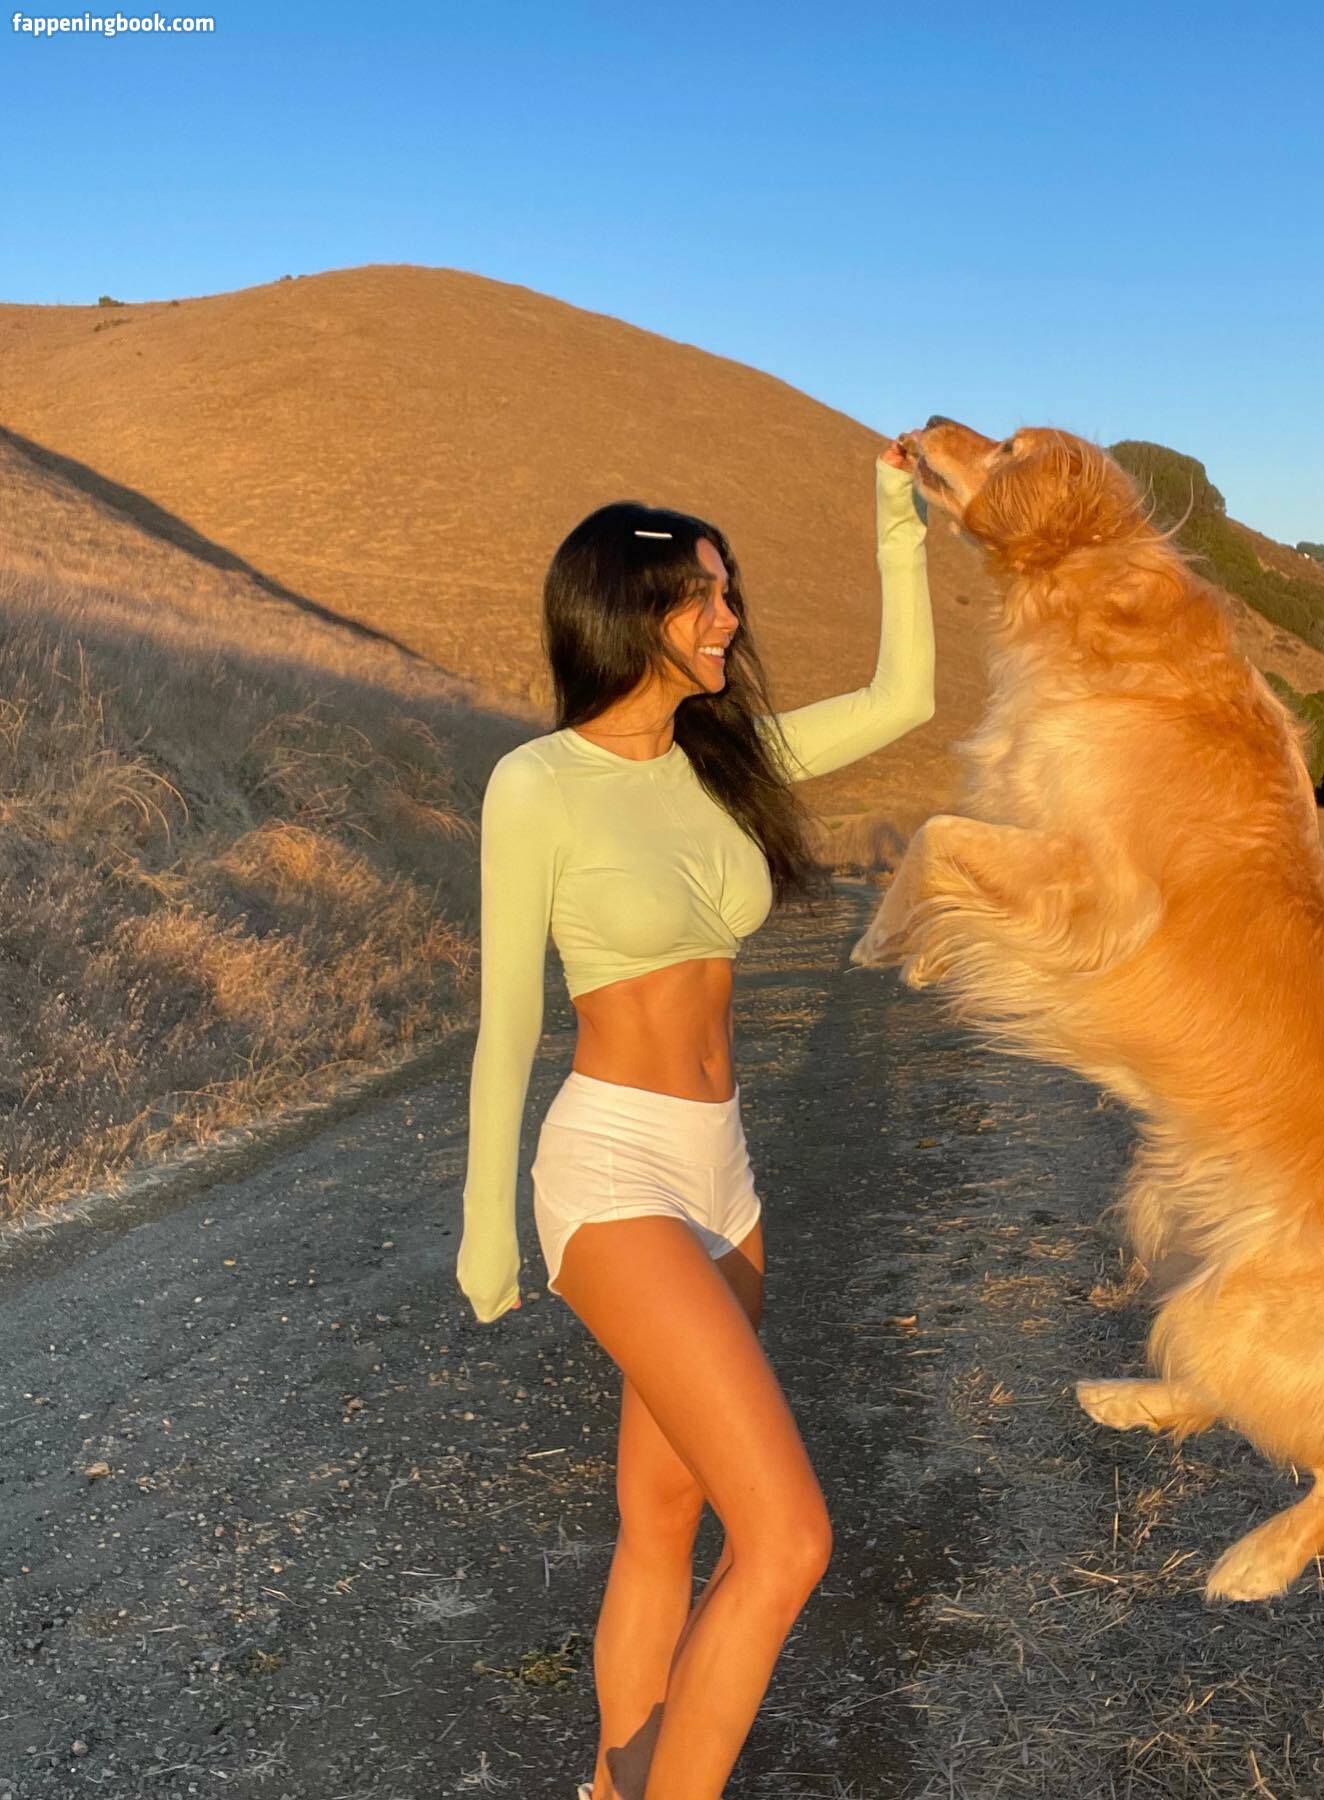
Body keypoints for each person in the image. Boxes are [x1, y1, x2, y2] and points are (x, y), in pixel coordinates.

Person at [457, 436, 934, 1799]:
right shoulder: (536, 783)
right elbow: (509, 1022)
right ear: (629, 610)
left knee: (662, 1516)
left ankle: (611, 1784)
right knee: (786, 1539)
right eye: (701, 594)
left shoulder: (723, 760)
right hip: (609, 1166)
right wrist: (486, 1223)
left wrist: (895, 517)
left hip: (722, 1173)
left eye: (729, 589)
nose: (728, 616)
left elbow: (906, 696)